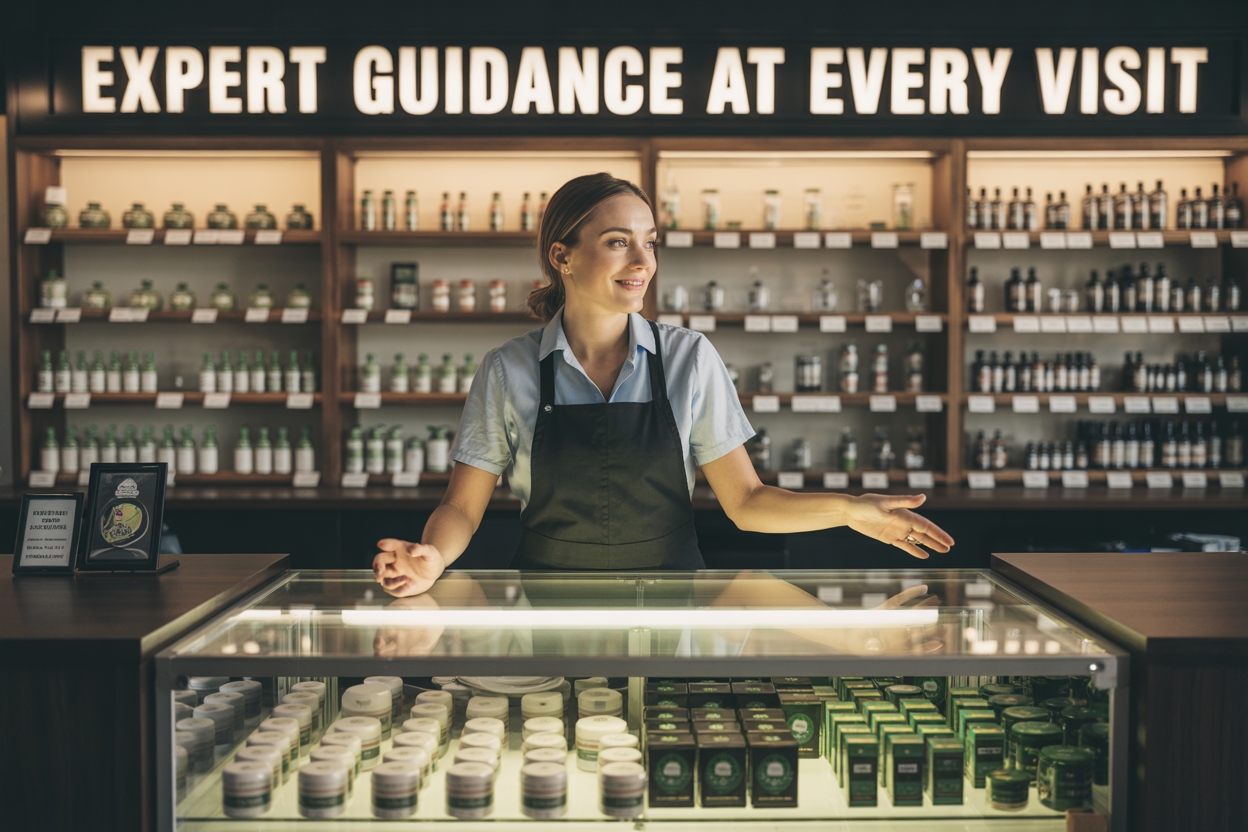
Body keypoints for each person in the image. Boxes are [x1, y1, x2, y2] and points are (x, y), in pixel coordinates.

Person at [374, 173, 953, 597]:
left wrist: (850, 511)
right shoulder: (509, 369)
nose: (643, 261)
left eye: (649, 241)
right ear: (562, 256)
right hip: (547, 608)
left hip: (673, 605)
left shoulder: (688, 358)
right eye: (618, 241)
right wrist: (434, 557)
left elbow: (747, 503)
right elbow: (462, 507)